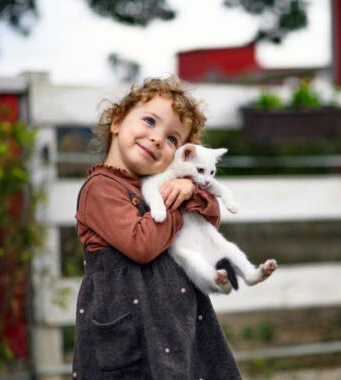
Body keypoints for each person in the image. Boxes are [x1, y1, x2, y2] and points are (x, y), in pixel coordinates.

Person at [73, 75, 242, 379]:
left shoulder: (164, 185)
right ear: (117, 121)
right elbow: (142, 245)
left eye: (172, 139)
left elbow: (211, 219)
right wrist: (179, 203)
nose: (157, 139)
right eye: (150, 121)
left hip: (176, 325)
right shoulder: (100, 188)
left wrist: (191, 190)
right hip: (128, 332)